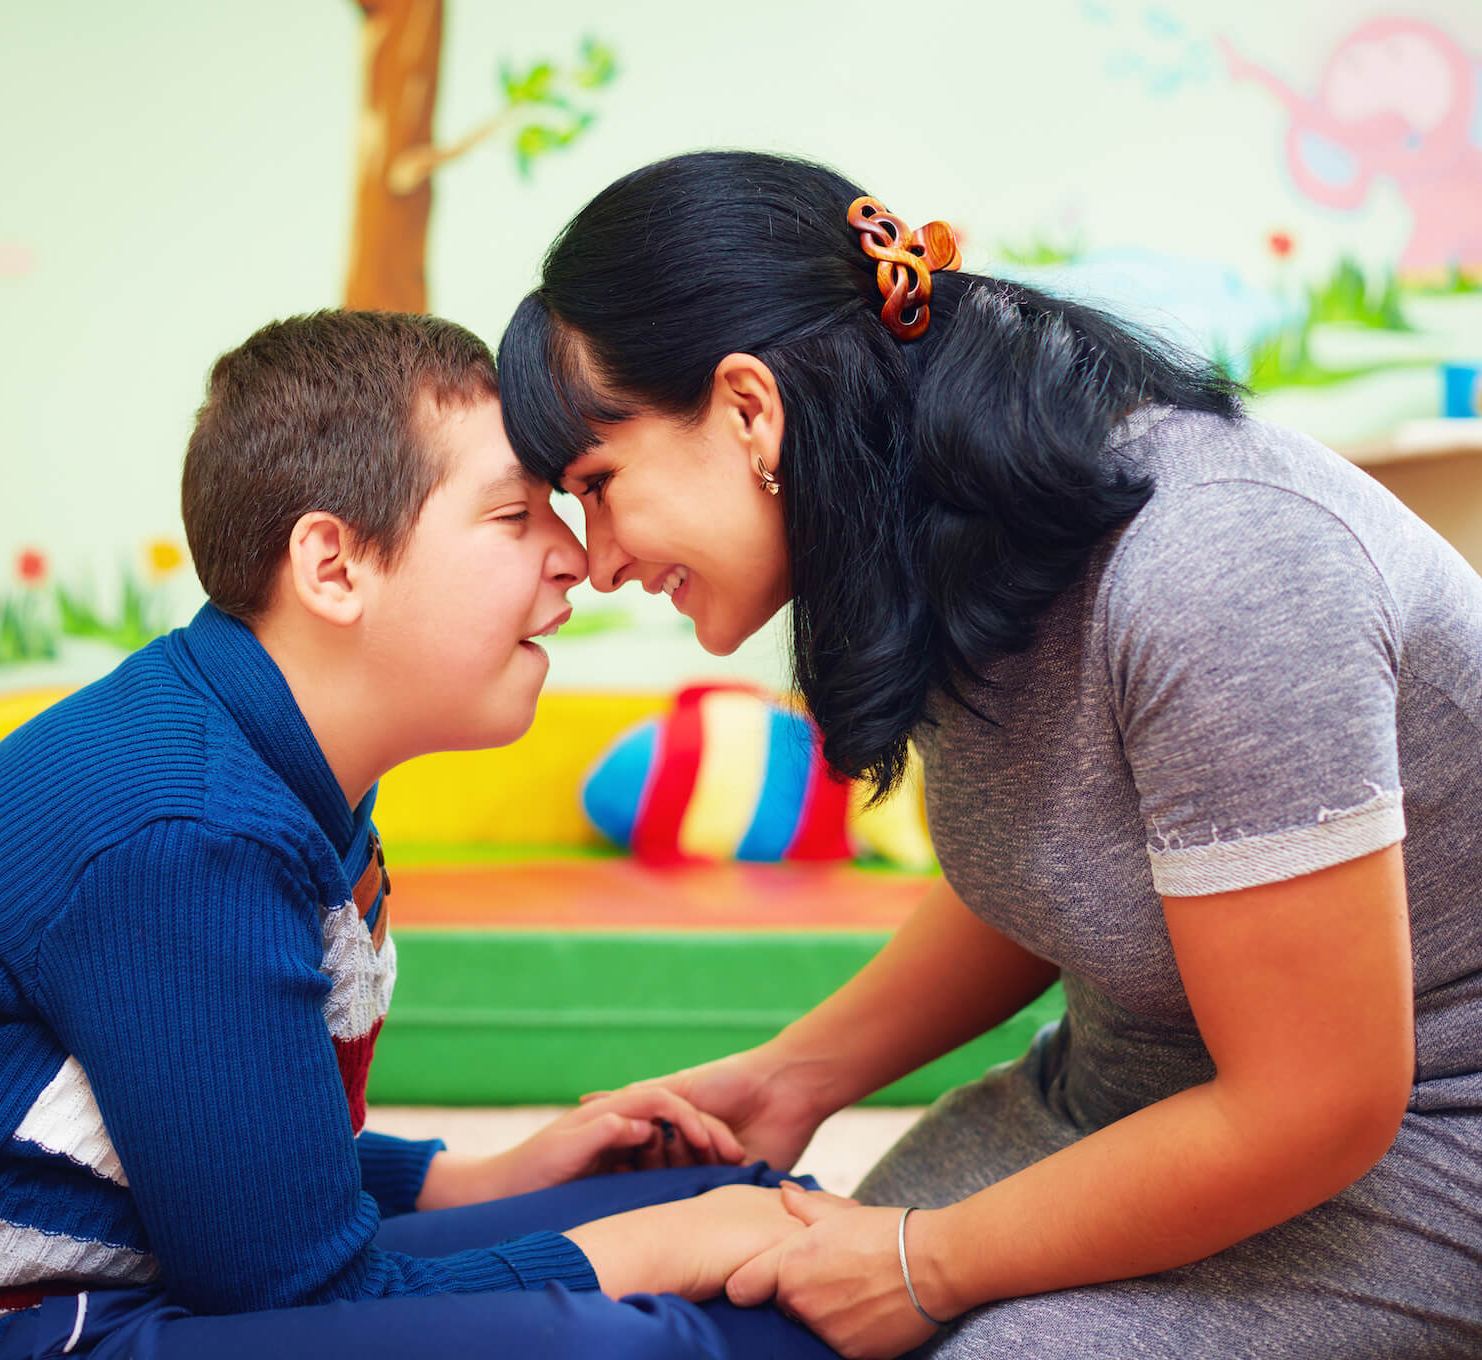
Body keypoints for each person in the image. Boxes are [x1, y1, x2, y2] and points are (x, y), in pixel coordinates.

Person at [495, 150, 1482, 1359]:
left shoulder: (1219, 563)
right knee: (768, 1296)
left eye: (599, 483)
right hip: (1136, 1094)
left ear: (751, 408)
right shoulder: (950, 518)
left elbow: (1320, 1104)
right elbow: (1068, 861)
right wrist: (798, 1075)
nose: (594, 562)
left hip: (1416, 1142)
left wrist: (926, 1261)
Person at [0, 310, 836, 1360]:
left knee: (723, 1205)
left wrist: (493, 1177)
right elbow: (307, 1295)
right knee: (646, 1322)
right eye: (514, 517)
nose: (578, 557)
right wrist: (647, 1255)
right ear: (332, 567)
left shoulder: (282, 765)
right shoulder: (186, 828)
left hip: (132, 1276)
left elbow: (236, 1149)